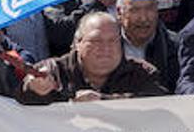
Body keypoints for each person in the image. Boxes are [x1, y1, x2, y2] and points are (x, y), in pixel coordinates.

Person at [20, 12, 167, 103]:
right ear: (77, 43)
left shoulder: (142, 73)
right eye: (96, 41)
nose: (106, 48)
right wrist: (34, 89)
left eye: (113, 41)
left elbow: (159, 104)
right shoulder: (52, 71)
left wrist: (103, 102)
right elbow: (20, 104)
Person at [117, 0, 178, 93]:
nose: (143, 18)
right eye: (135, 10)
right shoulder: (104, 46)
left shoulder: (176, 46)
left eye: (150, 8)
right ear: (119, 12)